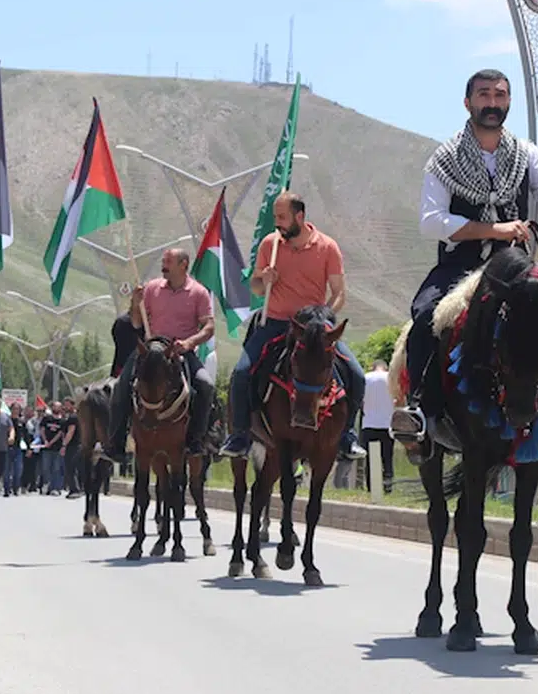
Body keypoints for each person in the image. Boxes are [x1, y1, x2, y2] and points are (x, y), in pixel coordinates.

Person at [388, 68, 538, 473]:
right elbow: (432, 220)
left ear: (508, 103)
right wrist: (494, 229)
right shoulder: (444, 159)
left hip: (517, 267)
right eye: (484, 95)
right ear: (468, 103)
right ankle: (422, 416)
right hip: (462, 264)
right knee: (426, 316)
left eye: (500, 96)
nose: (493, 103)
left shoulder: (525, 153)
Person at [219, 193, 366, 460]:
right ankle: (240, 434)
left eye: (282, 217)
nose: (277, 223)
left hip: (314, 328)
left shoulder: (327, 247)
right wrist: (264, 278)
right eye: (276, 217)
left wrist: (324, 318)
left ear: (300, 216)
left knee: (356, 373)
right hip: (275, 323)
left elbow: (339, 293)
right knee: (241, 373)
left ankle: (347, 435)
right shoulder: (270, 245)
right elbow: (255, 288)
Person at [103, 248, 216, 463]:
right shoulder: (152, 288)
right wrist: (135, 304)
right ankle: (116, 442)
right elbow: (137, 323)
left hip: (181, 351)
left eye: (168, 262)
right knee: (121, 385)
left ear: (184, 264)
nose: (163, 265)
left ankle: (196, 439)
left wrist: (190, 342)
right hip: (151, 350)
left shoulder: (199, 292)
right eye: (163, 261)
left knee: (206, 385)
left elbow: (209, 326)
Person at [361, 360, 395, 493]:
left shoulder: (365, 378)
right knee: (387, 457)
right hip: (388, 424)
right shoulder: (391, 378)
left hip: (369, 423)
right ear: (385, 367)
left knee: (370, 459)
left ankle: (372, 487)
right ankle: (388, 486)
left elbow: (361, 401)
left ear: (373, 367)